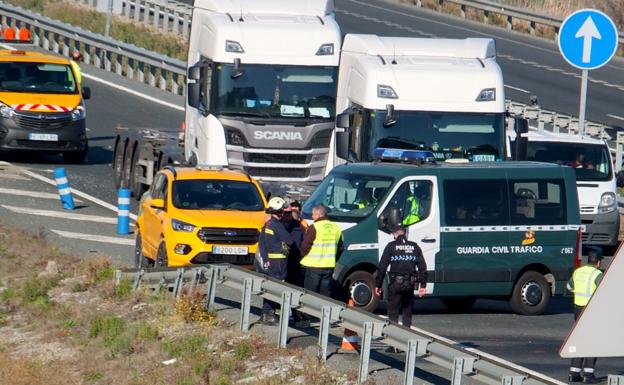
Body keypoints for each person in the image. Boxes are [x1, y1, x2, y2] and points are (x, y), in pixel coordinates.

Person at [374, 223, 427, 353]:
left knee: (393, 314)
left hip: (395, 284)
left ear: (394, 234)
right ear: (405, 233)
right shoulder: (415, 247)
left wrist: (378, 284)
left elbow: (382, 267)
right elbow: (423, 268)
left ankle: (393, 344)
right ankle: (406, 343)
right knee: (407, 313)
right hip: (410, 284)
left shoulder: (391, 247)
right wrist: (423, 285)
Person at [567, 250, 603, 384]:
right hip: (590, 310)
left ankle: (574, 372)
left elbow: (569, 286)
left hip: (577, 309)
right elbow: (603, 290)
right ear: (598, 262)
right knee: (593, 341)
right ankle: (588, 374)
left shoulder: (578, 272)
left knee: (580, 339)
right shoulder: (597, 274)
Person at [258, 197, 294, 325]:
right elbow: (290, 241)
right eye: (283, 212)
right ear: (279, 212)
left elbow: (261, 243)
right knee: (275, 288)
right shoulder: (277, 226)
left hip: (270, 262)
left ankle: (265, 313)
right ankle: (269, 314)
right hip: (279, 262)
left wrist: (266, 259)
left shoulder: (267, 224)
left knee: (270, 287)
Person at [300, 204, 342, 298]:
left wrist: (303, 257)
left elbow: (305, 246)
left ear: (319, 215)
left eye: (313, 214)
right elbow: (341, 248)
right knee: (325, 295)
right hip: (328, 266)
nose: (312, 216)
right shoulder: (336, 228)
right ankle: (324, 312)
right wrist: (333, 259)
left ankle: (309, 313)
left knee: (310, 295)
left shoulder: (314, 227)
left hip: (313, 266)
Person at [282, 201, 309, 325]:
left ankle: (296, 315)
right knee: (289, 290)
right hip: (288, 263)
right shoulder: (281, 226)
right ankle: (293, 315)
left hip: (293, 263)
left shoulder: (298, 227)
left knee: (294, 289)